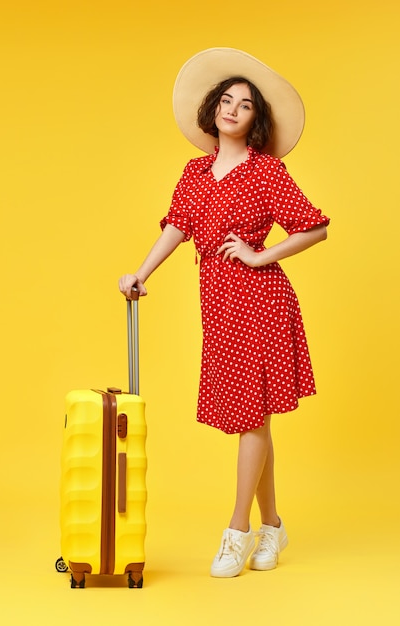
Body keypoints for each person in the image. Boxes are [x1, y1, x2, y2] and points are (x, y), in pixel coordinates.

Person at [119, 48, 329, 578]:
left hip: (261, 301)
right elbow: (178, 226)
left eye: (247, 104)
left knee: (250, 416)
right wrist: (142, 273)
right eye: (227, 100)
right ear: (213, 109)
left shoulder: (266, 172)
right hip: (218, 303)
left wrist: (261, 254)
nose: (234, 109)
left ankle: (237, 531)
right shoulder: (194, 172)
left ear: (257, 121)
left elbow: (314, 227)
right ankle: (274, 526)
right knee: (251, 418)